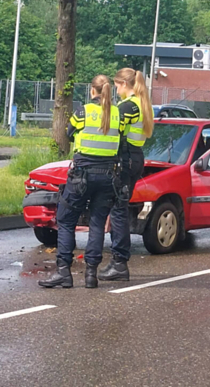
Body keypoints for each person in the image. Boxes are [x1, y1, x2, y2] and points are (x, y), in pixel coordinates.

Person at [40, 74, 124, 289]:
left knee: (66, 220)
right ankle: (91, 275)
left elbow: (69, 134)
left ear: (92, 91)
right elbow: (121, 142)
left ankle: (63, 273)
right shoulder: (117, 114)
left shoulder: (83, 112)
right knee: (97, 223)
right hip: (107, 177)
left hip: (82, 175)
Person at [100, 68, 154, 282]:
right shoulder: (142, 103)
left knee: (118, 211)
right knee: (119, 209)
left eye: (117, 85)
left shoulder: (128, 106)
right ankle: (117, 261)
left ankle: (119, 262)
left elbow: (114, 132)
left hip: (125, 157)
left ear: (123, 84)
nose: (116, 90)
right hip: (135, 156)